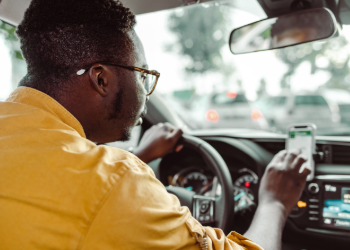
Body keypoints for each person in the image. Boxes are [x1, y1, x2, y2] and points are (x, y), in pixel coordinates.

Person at [0, 0, 310, 249]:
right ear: (102, 79)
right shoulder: (119, 181)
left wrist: (139, 156)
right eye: (142, 73)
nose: (146, 89)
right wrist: (274, 202)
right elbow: (99, 192)